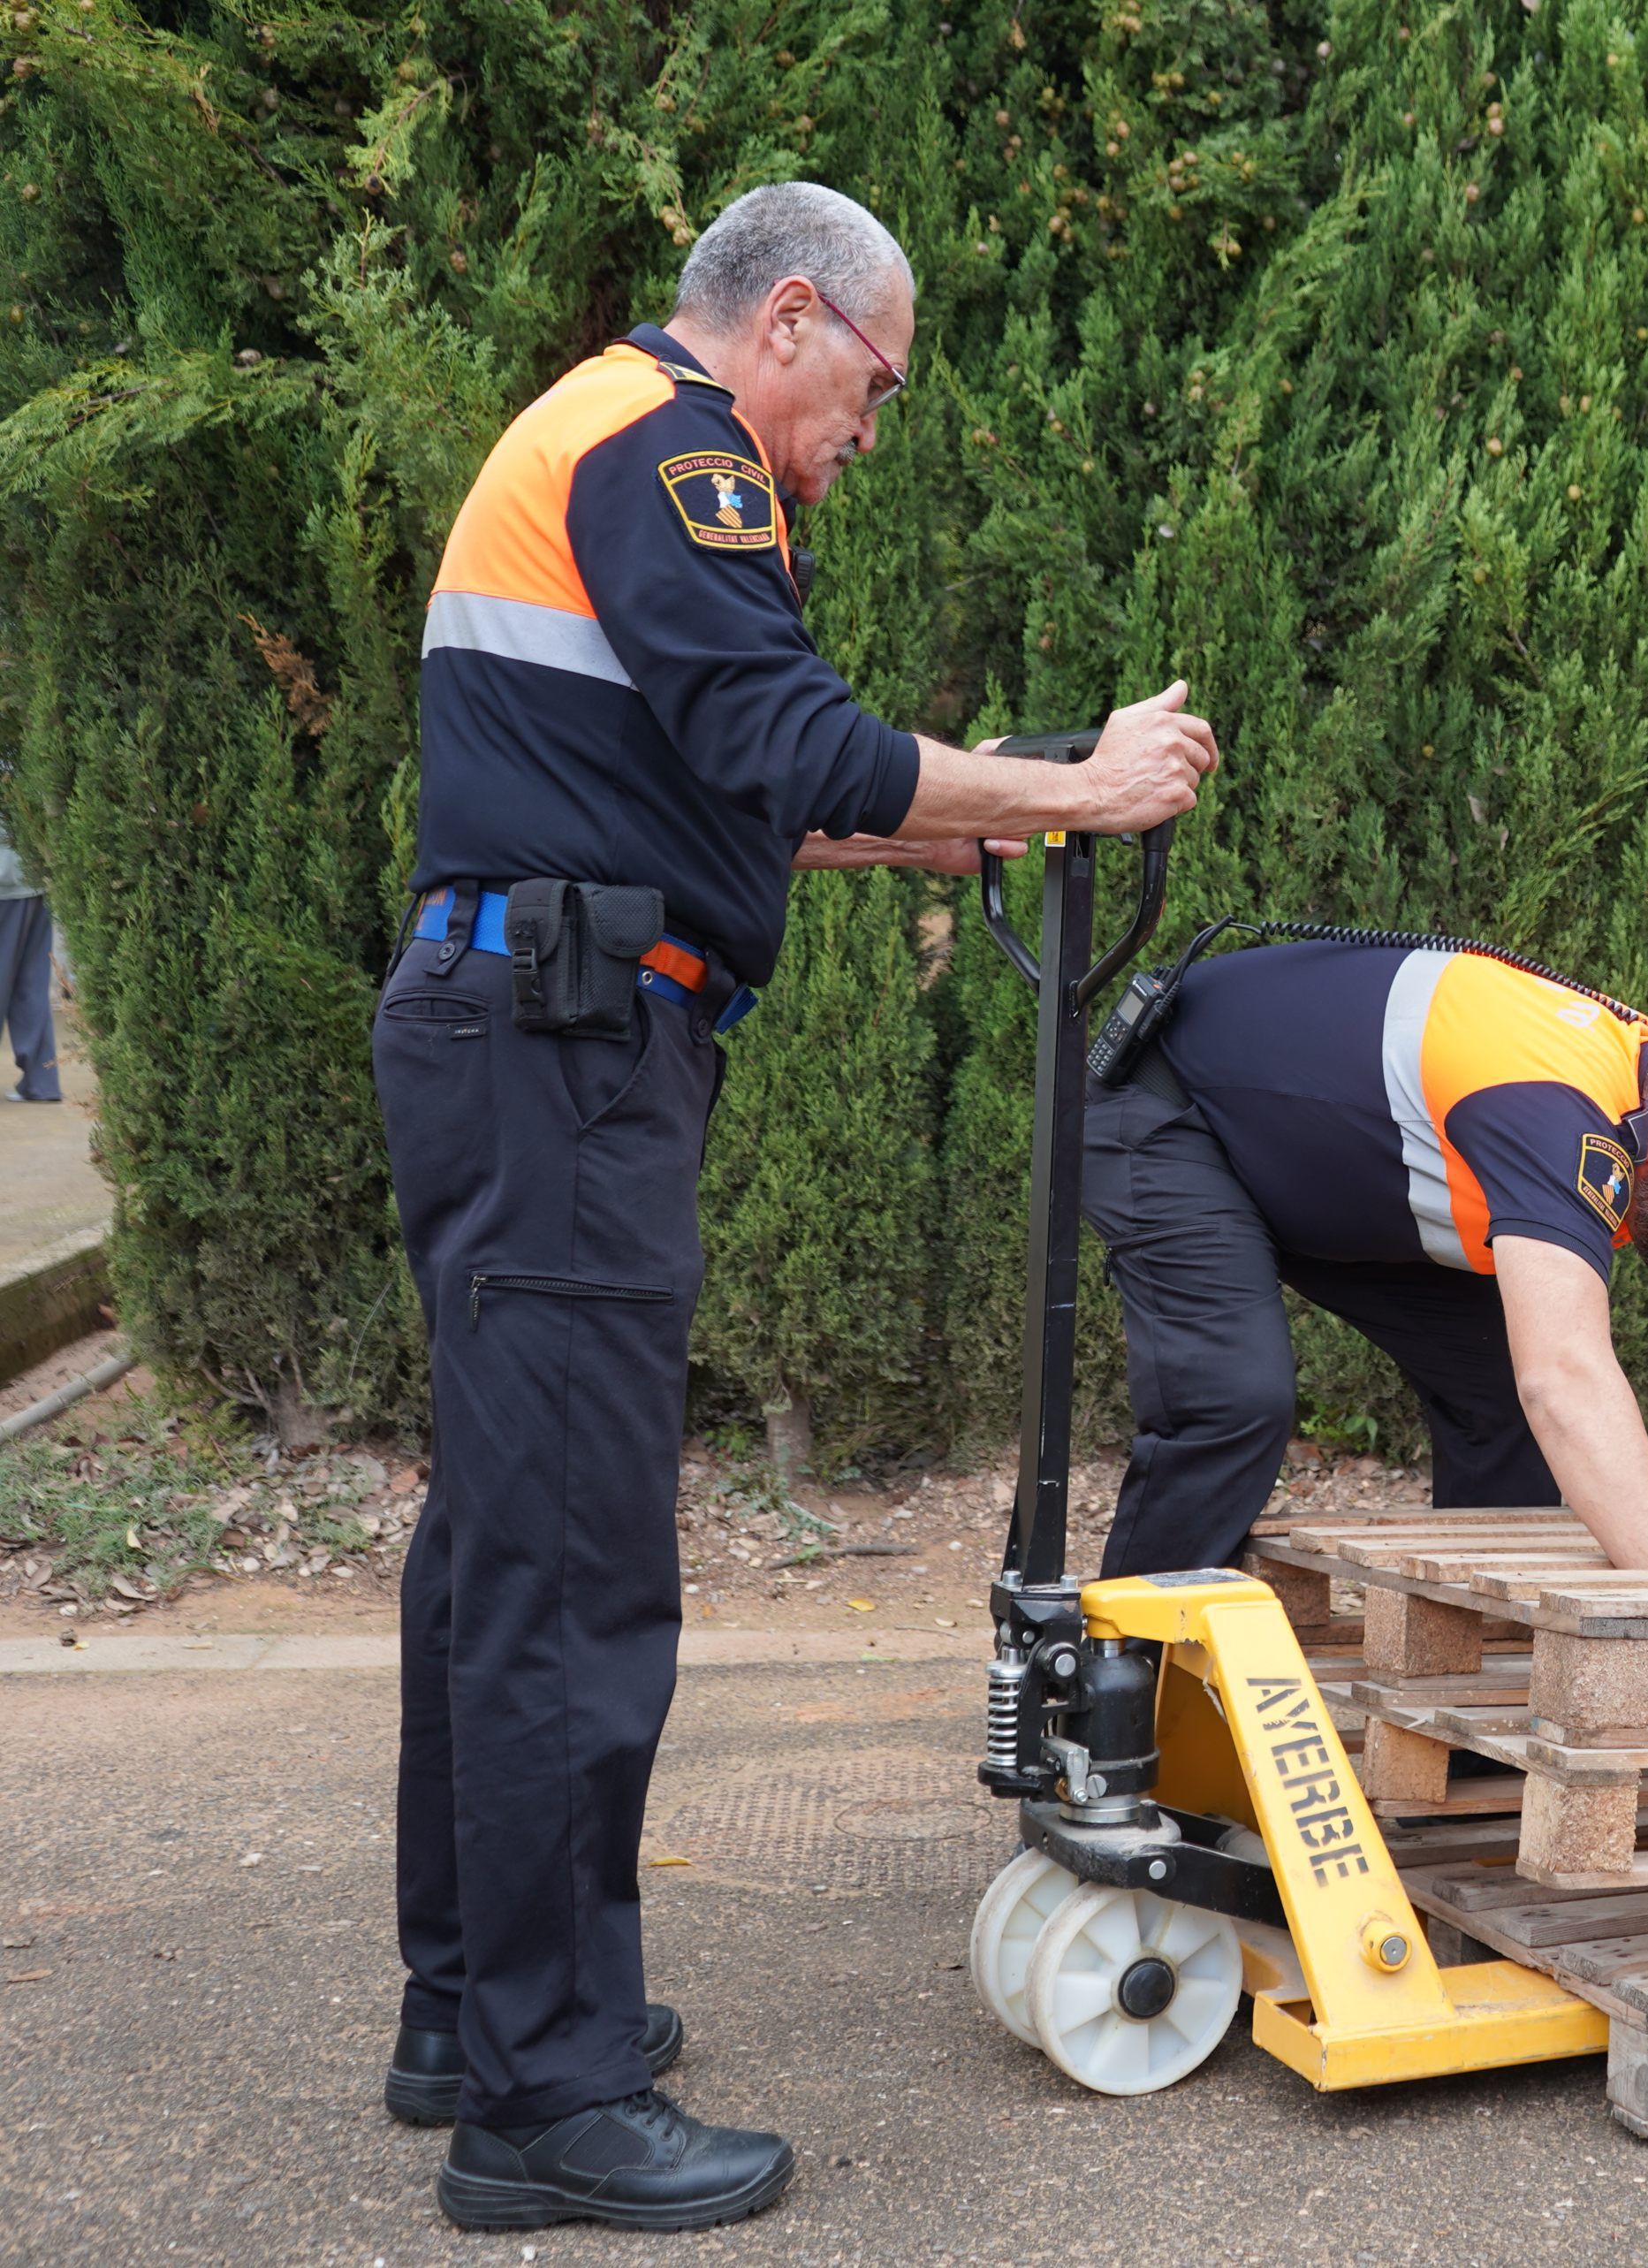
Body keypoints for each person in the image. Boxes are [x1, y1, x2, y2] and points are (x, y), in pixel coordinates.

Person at [372, 181, 1218, 2234]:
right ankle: (545, 2098)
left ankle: (474, 2007)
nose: (863, 433)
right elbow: (784, 740)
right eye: (874, 386)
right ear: (797, 322)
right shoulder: (674, 446)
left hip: (526, 1018)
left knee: (500, 1540)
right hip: (566, 1045)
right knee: (572, 1566)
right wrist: (1076, 792)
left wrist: (929, 822)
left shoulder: (590, 435)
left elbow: (697, 786)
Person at [1085, 937, 1648, 1713]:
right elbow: (1565, 1379)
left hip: (1330, 1162)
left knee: (1502, 1407)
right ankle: (1107, 1704)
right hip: (1175, 1109)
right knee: (1233, 1399)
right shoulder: (1556, 1116)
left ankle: (1477, 1706)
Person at [0, 808, 56, 1103]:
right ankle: (42, 1081)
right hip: (34, 879)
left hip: (5, 884)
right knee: (31, 985)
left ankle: (41, 1080)